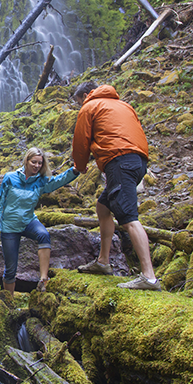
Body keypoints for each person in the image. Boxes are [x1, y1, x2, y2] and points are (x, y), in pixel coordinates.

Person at [70, 81, 161, 290]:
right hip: (137, 162)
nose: (78, 106)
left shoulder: (90, 107)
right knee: (103, 206)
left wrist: (80, 166)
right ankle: (103, 261)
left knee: (128, 218)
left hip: (119, 161)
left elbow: (81, 141)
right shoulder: (123, 105)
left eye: (77, 102)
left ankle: (149, 276)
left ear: (85, 95)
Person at [0, 146, 80, 296]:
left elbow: (58, 181)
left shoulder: (40, 181)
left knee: (43, 234)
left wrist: (74, 171)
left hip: (28, 221)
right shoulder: (10, 178)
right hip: (9, 226)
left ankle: (43, 279)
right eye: (34, 162)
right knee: (10, 268)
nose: (37, 166)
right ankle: (9, 302)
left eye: (40, 163)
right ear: (26, 160)